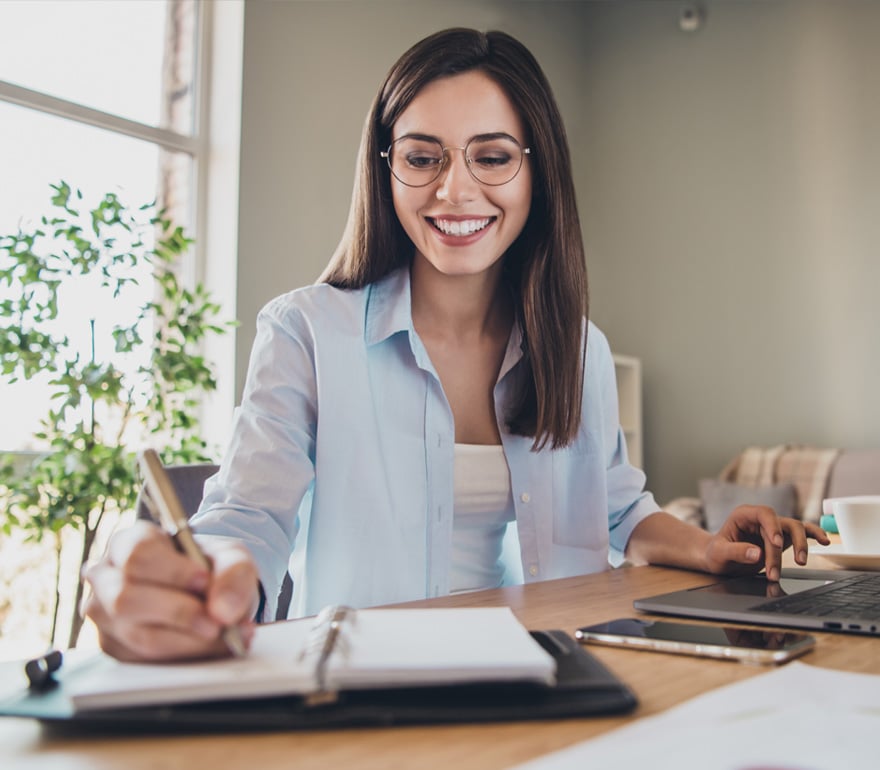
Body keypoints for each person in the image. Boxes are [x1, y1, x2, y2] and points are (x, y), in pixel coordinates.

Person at [83, 28, 829, 661]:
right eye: (422, 156)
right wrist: (199, 578)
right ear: (387, 168)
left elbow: (618, 507)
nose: (455, 192)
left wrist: (706, 546)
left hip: (553, 669)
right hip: (373, 687)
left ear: (537, 170)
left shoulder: (576, 350)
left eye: (493, 156)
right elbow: (246, 519)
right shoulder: (305, 331)